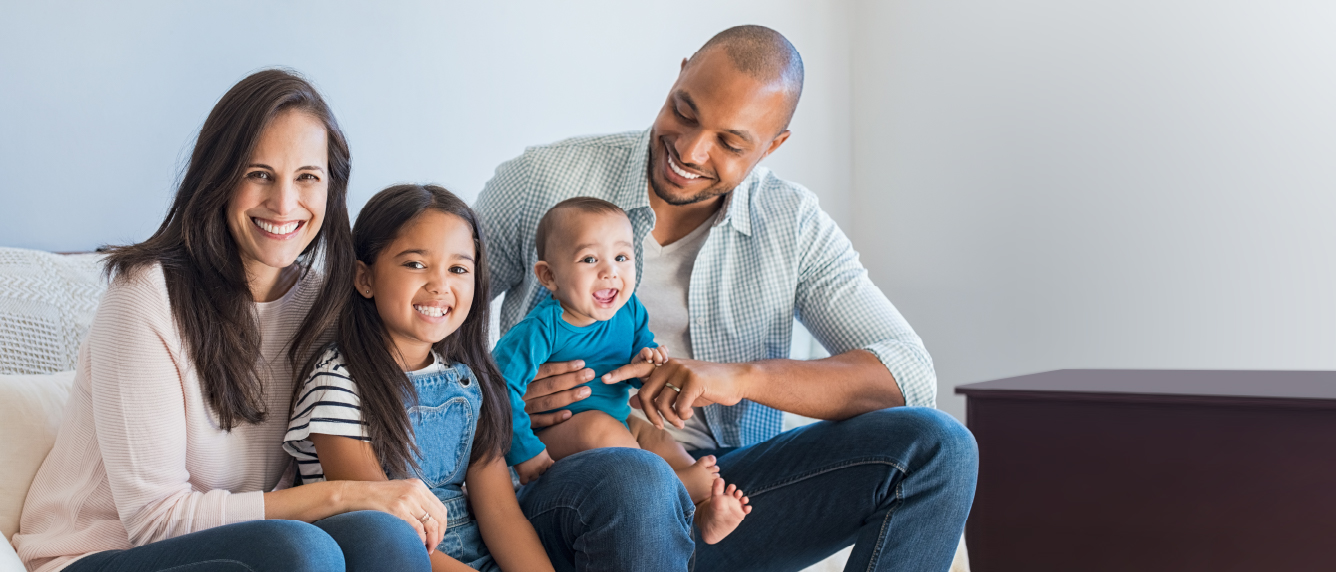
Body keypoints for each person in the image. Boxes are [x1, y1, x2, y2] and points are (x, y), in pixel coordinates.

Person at [475, 25, 979, 571]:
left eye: (731, 142)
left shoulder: (792, 224)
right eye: (684, 112)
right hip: (574, 481)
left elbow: (907, 374)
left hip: (717, 490)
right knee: (635, 477)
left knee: (940, 447)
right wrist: (498, 399)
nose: (689, 150)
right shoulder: (543, 182)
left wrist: (739, 379)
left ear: (774, 144)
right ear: (681, 71)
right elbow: (427, 325)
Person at [14, 70, 440, 572]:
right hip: (97, 555)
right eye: (259, 174)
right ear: (219, 178)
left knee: (382, 537)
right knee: (302, 549)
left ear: (331, 188)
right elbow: (156, 522)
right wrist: (342, 496)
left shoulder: (324, 300)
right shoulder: (146, 297)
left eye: (307, 177)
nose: (284, 204)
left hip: (249, 550)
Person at [283, 183, 554, 572]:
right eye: (415, 264)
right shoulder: (338, 383)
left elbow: (501, 516)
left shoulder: (468, 383)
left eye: (458, 268)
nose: (440, 284)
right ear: (365, 278)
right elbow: (387, 531)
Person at [492, 197, 751, 545]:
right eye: (589, 259)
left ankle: (702, 511)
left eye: (621, 257)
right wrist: (525, 452)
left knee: (655, 436)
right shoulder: (540, 329)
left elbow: (636, 357)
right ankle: (675, 486)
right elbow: (497, 388)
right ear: (549, 276)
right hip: (559, 436)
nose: (610, 271)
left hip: (618, 425)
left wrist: (648, 362)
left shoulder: (629, 310)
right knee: (600, 428)